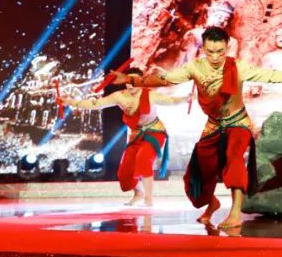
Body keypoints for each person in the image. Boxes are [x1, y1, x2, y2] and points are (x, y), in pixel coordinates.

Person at [112, 27, 282, 229]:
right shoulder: (195, 67)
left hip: (238, 122)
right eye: (210, 51)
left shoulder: (237, 66)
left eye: (220, 51)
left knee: (234, 158)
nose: (215, 57)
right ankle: (212, 204)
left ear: (227, 47)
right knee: (197, 174)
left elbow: (270, 75)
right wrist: (130, 79)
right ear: (203, 49)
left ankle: (235, 213)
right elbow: (166, 79)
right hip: (213, 125)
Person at [60, 68, 189, 206]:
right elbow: (95, 104)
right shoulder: (119, 96)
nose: (131, 85)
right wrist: (69, 101)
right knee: (125, 173)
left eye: (135, 82)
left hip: (154, 133)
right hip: (136, 136)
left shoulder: (150, 95)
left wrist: (186, 98)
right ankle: (139, 193)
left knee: (144, 159)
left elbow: (171, 101)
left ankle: (148, 199)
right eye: (128, 82)